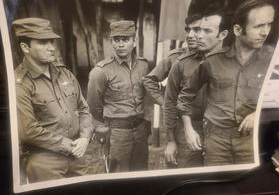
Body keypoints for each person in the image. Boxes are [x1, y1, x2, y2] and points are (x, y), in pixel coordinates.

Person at [177, 0, 275, 166]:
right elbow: (184, 97)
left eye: (269, 24)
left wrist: (257, 114)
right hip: (216, 142)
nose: (265, 32)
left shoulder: (271, 64)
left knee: (248, 186)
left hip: (251, 142)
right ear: (237, 29)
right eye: (259, 26)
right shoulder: (212, 62)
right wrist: (188, 129)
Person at [13, 17, 94, 183]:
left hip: (76, 156)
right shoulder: (19, 82)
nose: (51, 48)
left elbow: (84, 109)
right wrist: (67, 145)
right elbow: (28, 131)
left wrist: (85, 137)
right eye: (43, 42)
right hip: (44, 161)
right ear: (25, 47)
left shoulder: (65, 73)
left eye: (51, 41)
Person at [164, 7, 230, 167]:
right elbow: (170, 104)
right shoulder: (181, 64)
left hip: (221, 132)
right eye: (197, 30)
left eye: (204, 31)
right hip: (189, 129)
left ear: (222, 34)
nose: (197, 35)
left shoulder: (231, 62)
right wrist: (171, 141)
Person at [87, 20, 149, 172]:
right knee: (118, 176)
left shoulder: (143, 66)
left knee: (141, 173)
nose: (121, 44)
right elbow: (93, 106)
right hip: (118, 133)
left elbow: (145, 94)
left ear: (134, 42)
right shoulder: (101, 71)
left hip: (140, 129)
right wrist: (107, 124)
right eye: (117, 40)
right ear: (111, 42)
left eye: (125, 39)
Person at [142, 14, 201, 106]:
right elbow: (149, 81)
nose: (190, 35)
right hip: (179, 117)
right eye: (188, 30)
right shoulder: (175, 57)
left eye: (197, 30)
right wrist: (165, 104)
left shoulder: (214, 59)